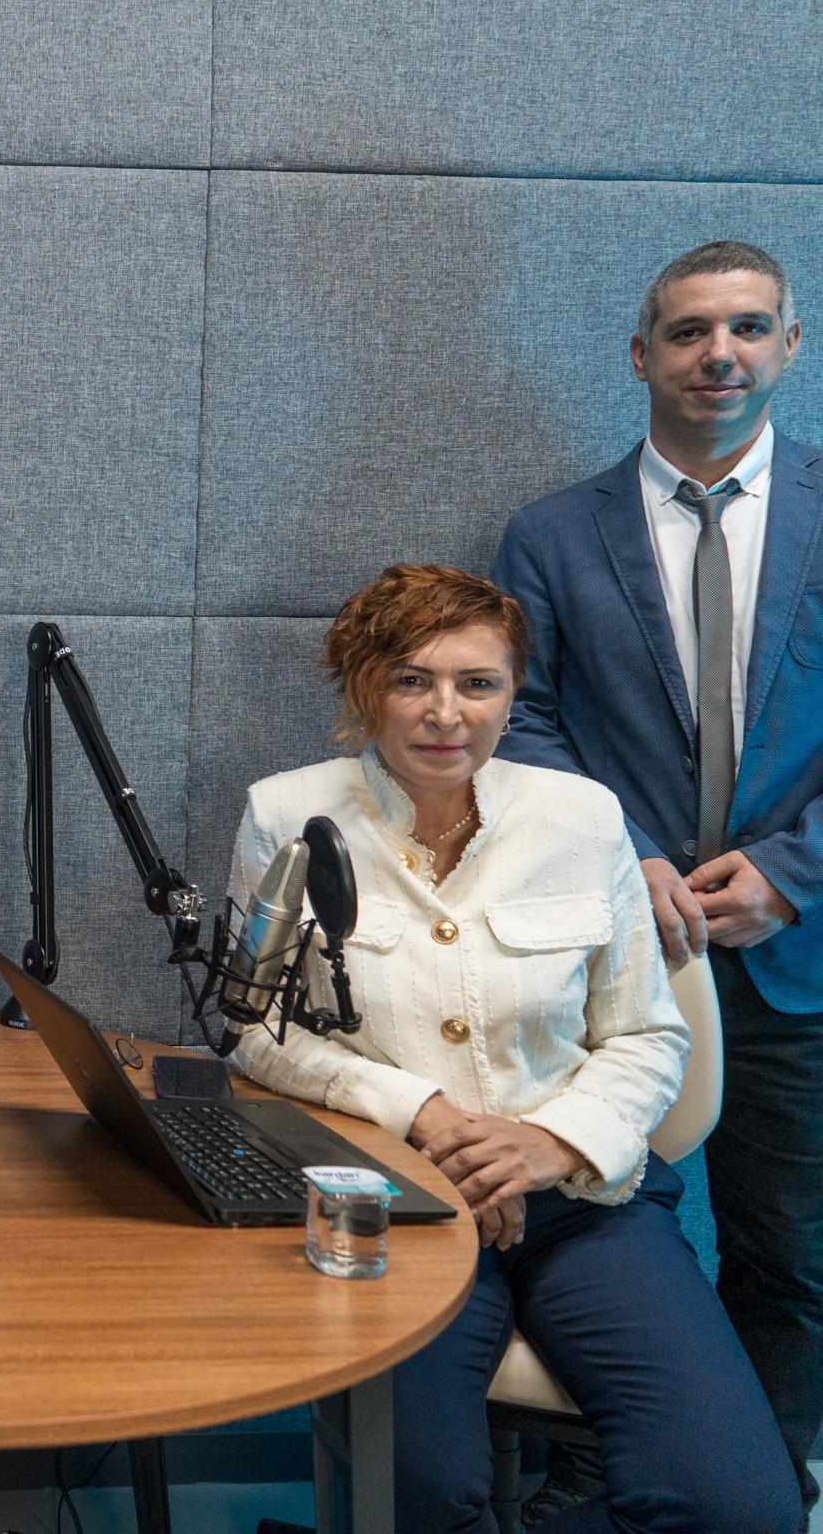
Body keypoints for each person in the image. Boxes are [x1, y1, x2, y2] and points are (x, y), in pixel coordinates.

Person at [228, 564, 798, 1534]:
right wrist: (424, 1116)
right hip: (400, 1204)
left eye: (478, 683)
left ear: (511, 693)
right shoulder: (288, 815)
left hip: (587, 1204)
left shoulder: (582, 816)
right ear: (363, 685)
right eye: (412, 679)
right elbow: (256, 1031)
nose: (445, 712)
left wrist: (551, 1142)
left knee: (741, 1510)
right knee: (416, 1504)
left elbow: (647, 1032)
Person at [494, 239, 823, 1513]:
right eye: (689, 332)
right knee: (592, 1237)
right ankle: (589, 1499)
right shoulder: (550, 535)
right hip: (610, 959)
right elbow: (520, 720)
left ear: (790, 345)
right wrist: (623, 852)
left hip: (794, 959)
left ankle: (762, 1494)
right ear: (642, 355)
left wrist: (792, 873)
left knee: (790, 1260)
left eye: (747, 328)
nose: (718, 354)